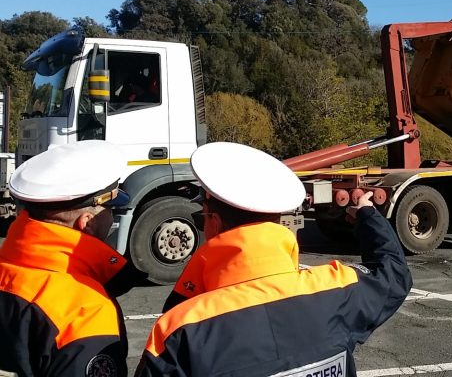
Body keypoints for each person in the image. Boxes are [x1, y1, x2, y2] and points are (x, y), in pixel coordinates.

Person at [135, 142, 412, 377]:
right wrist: (367, 215)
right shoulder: (337, 291)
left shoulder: (178, 332)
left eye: (202, 218)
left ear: (215, 222)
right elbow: (393, 272)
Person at [0, 140, 138, 377]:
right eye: (111, 208)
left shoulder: (7, 268)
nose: (112, 215)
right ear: (87, 222)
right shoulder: (86, 311)